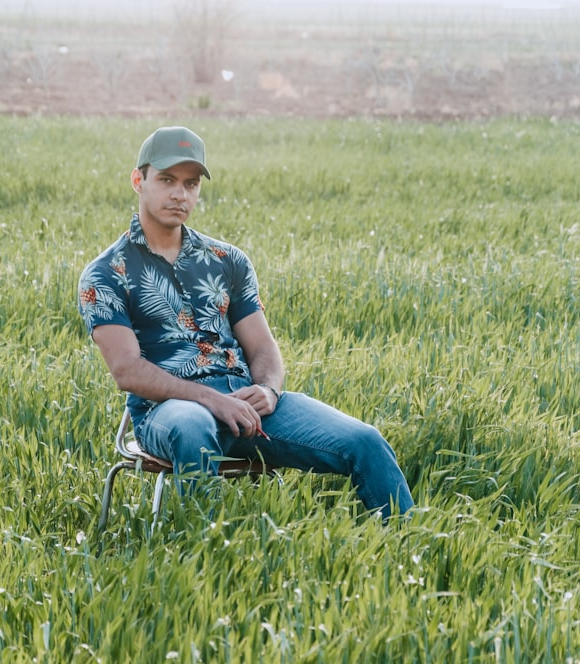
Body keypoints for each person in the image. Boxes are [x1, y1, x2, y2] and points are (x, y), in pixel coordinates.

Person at [77, 126, 414, 519]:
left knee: (365, 441)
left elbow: (262, 348)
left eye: (190, 184)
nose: (179, 194)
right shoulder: (105, 273)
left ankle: (411, 551)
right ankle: (201, 556)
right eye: (166, 180)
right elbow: (127, 371)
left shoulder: (228, 260)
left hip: (246, 402)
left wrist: (269, 391)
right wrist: (210, 399)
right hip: (169, 410)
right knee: (191, 428)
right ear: (139, 180)